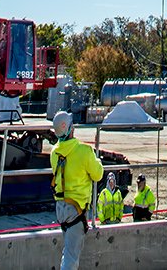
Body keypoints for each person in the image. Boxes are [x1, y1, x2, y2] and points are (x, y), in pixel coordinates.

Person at [50, 110, 103, 270]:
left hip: (61, 207)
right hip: (76, 209)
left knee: (68, 251)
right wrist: (96, 159)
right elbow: (98, 175)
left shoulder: (54, 152)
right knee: (71, 257)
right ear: (71, 129)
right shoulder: (84, 151)